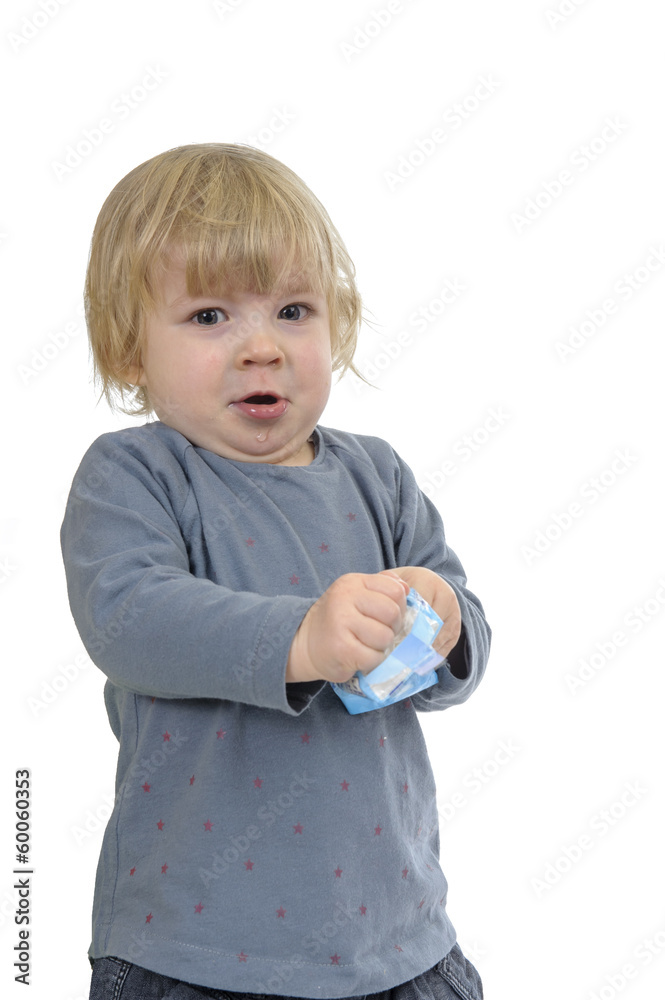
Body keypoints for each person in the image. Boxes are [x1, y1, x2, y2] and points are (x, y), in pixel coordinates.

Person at [61, 143, 491, 1000]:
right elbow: (129, 617)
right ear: (127, 349)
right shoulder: (135, 474)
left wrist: (445, 623)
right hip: (196, 952)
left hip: (398, 943)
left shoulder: (378, 475)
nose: (262, 347)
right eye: (210, 317)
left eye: (294, 310)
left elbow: (458, 635)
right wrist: (302, 637)